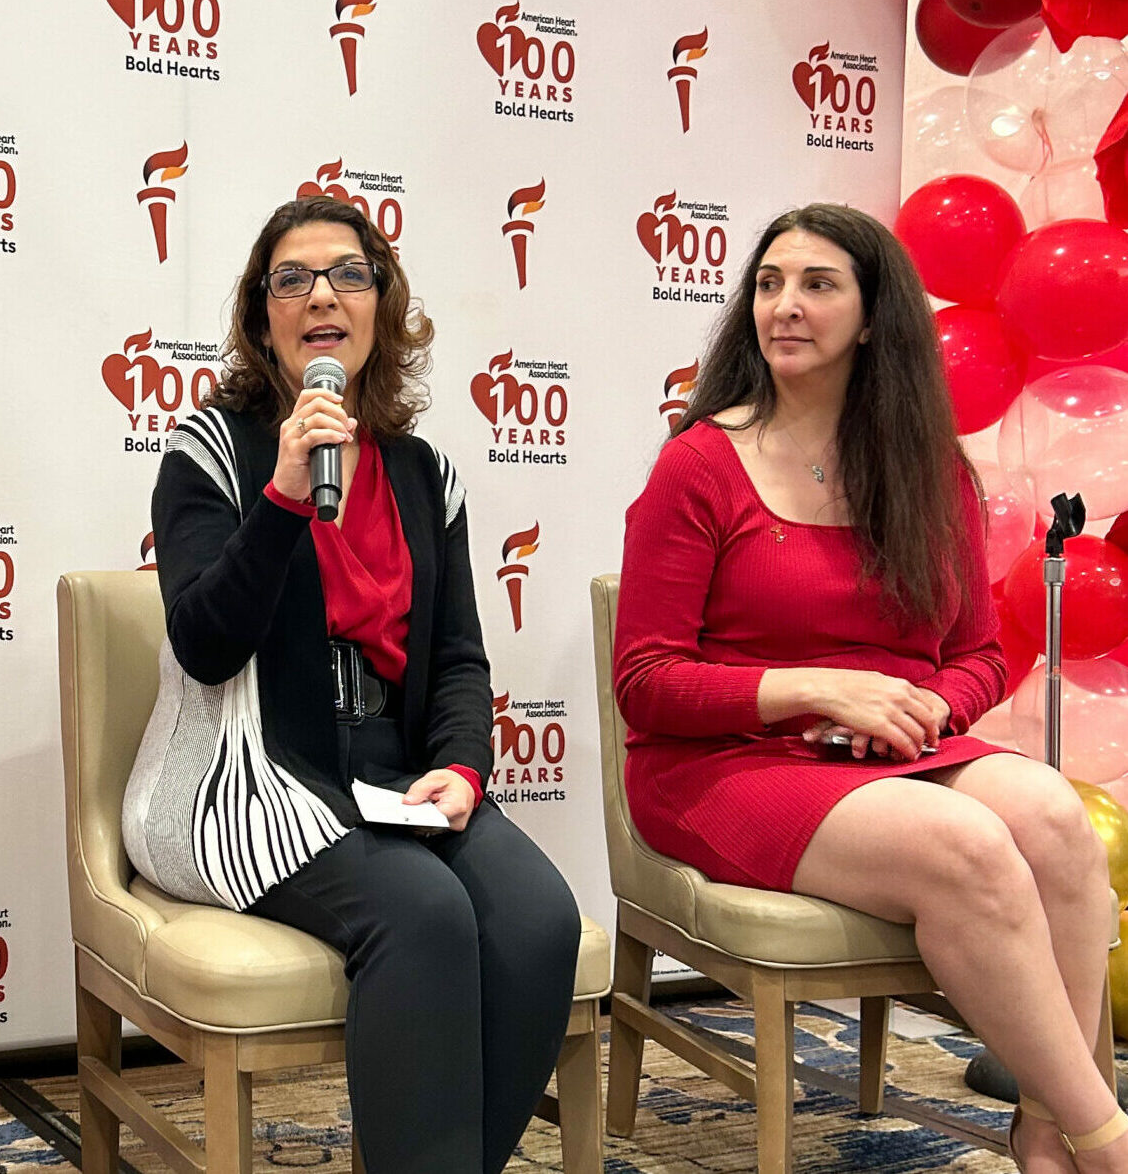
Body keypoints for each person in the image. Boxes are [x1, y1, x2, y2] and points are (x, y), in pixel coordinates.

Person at [614, 203, 1121, 1172]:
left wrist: (925, 710)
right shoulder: (699, 467)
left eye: (816, 284)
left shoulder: (927, 472)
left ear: (873, 314)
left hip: (892, 754)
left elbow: (981, 654)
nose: (784, 305)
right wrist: (823, 689)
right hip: (723, 766)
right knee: (967, 846)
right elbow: (646, 682)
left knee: (1055, 819)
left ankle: (1048, 1124)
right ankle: (1104, 1140)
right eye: (768, 283)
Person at [124, 195, 582, 1174]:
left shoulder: (426, 474)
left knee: (538, 922)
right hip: (241, 770)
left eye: (349, 274)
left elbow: (458, 658)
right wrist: (285, 499)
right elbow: (206, 644)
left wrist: (462, 767)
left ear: (383, 307)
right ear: (262, 319)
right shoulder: (212, 450)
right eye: (292, 279)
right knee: (422, 915)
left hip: (397, 772)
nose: (321, 294)